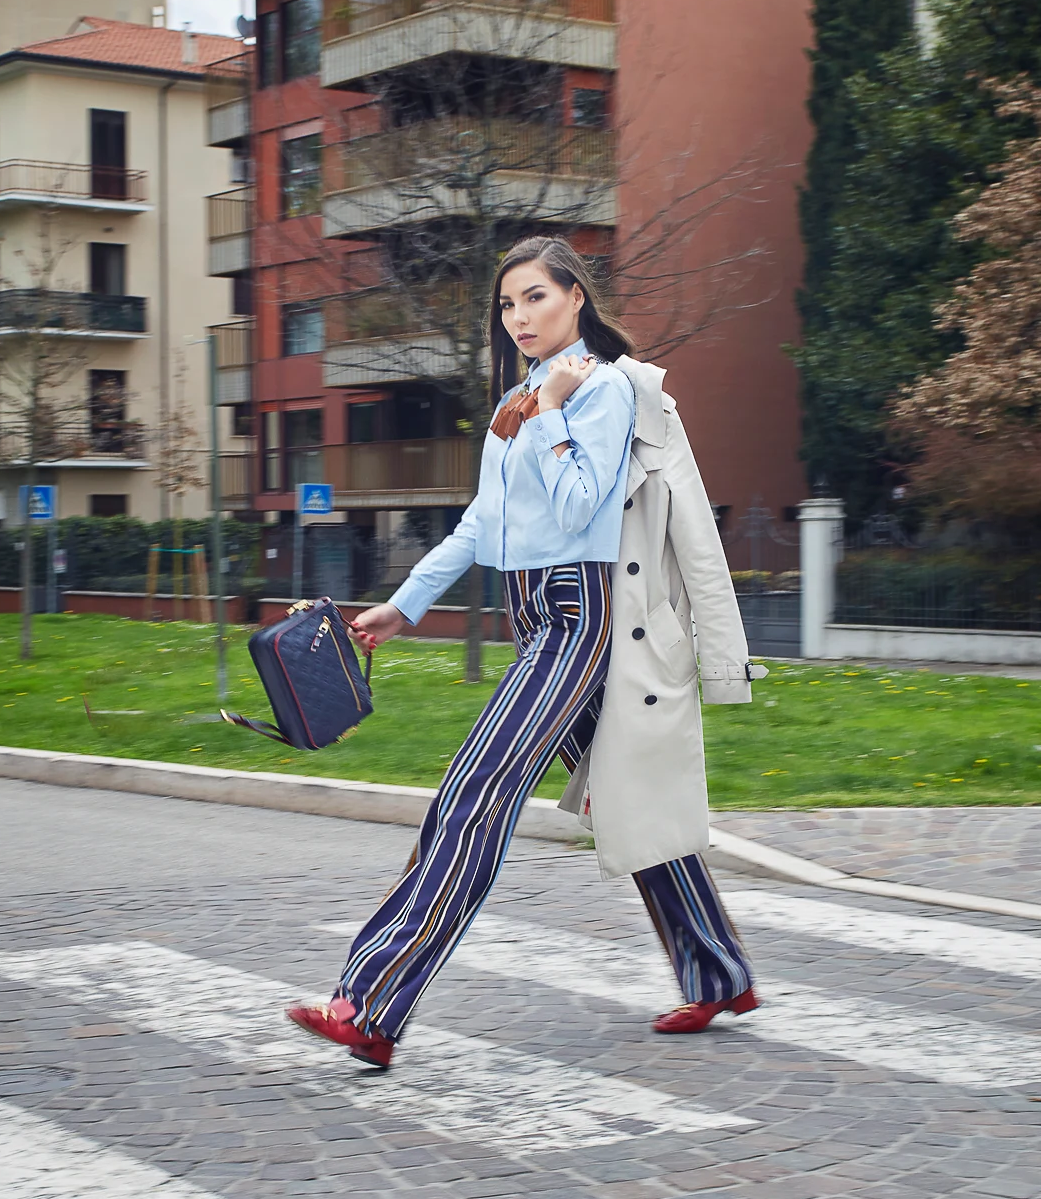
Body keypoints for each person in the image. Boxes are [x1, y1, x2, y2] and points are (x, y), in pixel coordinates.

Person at [286, 235, 764, 1070]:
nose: (520, 317)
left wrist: (550, 419)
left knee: (476, 790)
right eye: (508, 304)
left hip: (584, 614)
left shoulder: (605, 389)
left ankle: (370, 1000)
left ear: (576, 296)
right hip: (533, 613)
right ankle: (718, 971)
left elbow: (584, 509)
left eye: (536, 297)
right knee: (626, 792)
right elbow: (481, 521)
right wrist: (406, 604)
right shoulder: (519, 398)